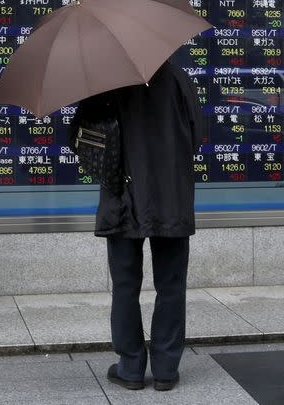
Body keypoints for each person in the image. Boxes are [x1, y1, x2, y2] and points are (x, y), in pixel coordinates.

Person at [73, 59, 203, 392]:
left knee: (125, 285)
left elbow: (79, 138)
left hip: (122, 197)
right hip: (170, 195)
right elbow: (197, 135)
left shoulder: (103, 81)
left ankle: (130, 367)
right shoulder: (178, 77)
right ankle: (165, 369)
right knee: (171, 285)